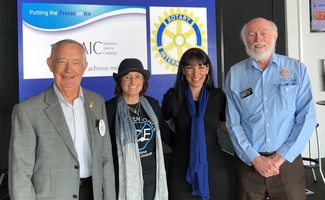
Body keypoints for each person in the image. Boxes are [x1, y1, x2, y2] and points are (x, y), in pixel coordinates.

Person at [8, 39, 116, 200]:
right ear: (50, 64)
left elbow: (105, 157)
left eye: (76, 62)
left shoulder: (97, 102)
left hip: (92, 193)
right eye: (61, 61)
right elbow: (20, 175)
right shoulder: (27, 111)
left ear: (84, 67)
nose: (69, 69)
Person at [225, 17, 317, 200]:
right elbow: (233, 122)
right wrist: (255, 158)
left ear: (275, 37)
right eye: (251, 34)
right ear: (245, 40)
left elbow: (307, 118)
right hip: (248, 165)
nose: (258, 39)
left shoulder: (296, 69)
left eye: (263, 33)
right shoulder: (235, 74)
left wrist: (279, 157)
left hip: (287, 164)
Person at [161, 48, 234, 200]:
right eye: (190, 67)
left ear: (207, 69)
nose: (196, 73)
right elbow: (162, 127)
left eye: (201, 67)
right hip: (180, 170)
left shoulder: (217, 97)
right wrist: (178, 143)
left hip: (214, 169)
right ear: (183, 70)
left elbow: (226, 127)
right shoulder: (173, 96)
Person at [105, 58, 174, 200]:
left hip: (153, 176)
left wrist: (186, 146)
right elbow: (104, 147)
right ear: (120, 81)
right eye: (127, 77)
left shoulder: (152, 105)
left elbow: (164, 133)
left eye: (137, 77)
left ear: (143, 81)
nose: (133, 82)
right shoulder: (109, 108)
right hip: (123, 177)